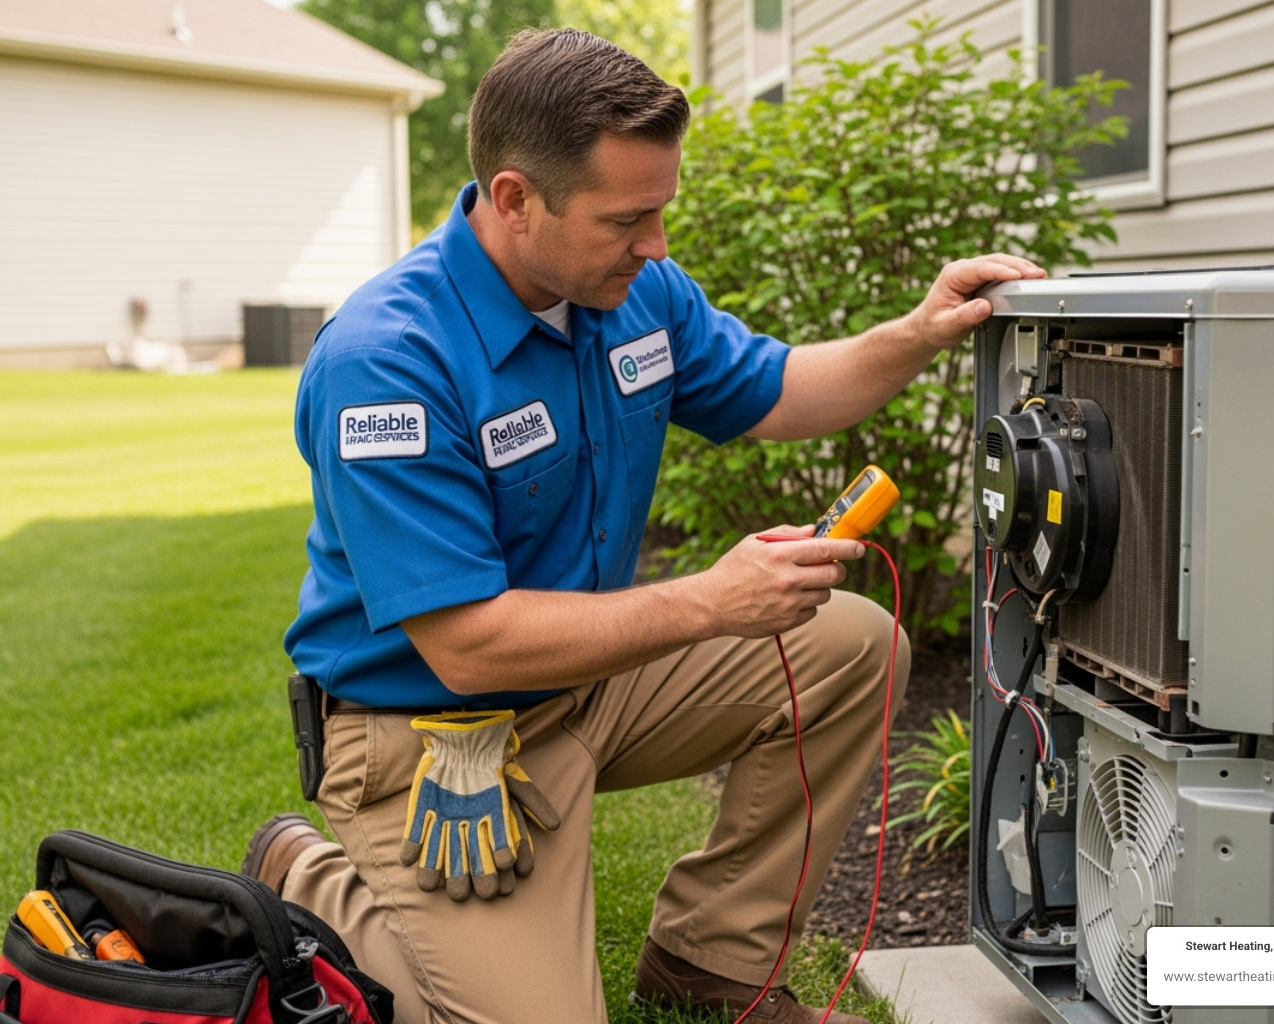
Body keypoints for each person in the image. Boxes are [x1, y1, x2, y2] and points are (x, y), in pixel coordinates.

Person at [242, 27, 1044, 1024]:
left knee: (849, 645)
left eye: (661, 212)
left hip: (586, 679)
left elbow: (782, 389)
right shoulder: (388, 360)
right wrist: (711, 600)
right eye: (628, 218)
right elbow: (466, 644)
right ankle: (313, 872)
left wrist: (917, 333)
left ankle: (711, 956)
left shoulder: (632, 294)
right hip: (434, 728)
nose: (656, 245)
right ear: (514, 199)